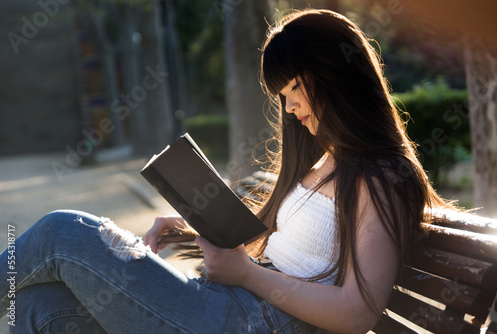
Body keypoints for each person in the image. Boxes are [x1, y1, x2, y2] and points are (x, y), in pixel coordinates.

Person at [1, 9, 452, 334]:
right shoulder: (329, 162)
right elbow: (282, 253)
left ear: (337, 76)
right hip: (227, 306)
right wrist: (187, 229)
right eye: (284, 94)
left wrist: (247, 275)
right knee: (36, 306)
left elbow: (357, 314)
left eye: (295, 88)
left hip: (250, 321)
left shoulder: (383, 178)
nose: (291, 106)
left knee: (63, 232)